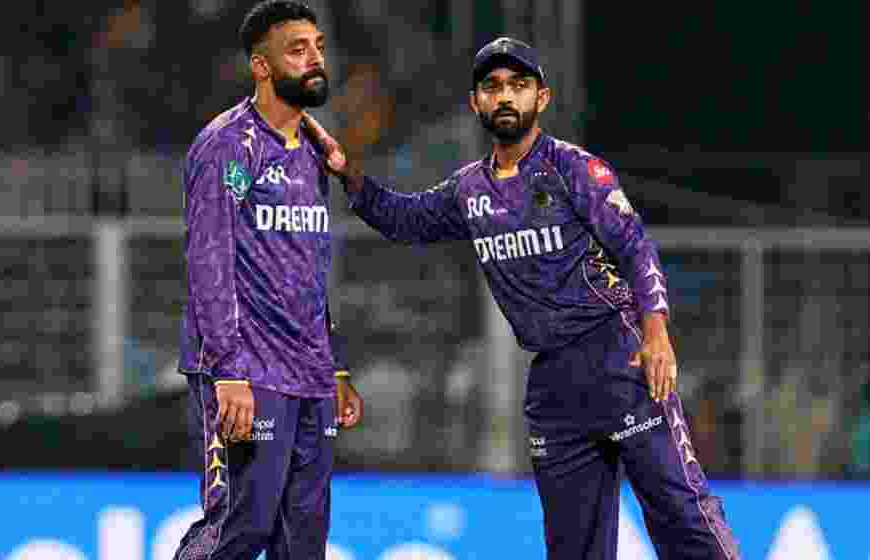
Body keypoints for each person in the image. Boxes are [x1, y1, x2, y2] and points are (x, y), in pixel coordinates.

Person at [306, 37, 742, 560]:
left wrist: (656, 329)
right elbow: (405, 219)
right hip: (553, 385)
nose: (506, 96)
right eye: (492, 87)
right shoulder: (469, 190)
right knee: (572, 545)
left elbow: (634, 244)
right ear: (476, 103)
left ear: (543, 97)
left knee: (681, 514)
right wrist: (347, 173)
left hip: (619, 358)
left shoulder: (573, 169)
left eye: (519, 85)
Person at [174, 2, 363, 559]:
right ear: (261, 66)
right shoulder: (227, 145)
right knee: (242, 526)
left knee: (303, 544)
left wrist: (336, 366)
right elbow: (209, 257)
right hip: (245, 372)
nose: (315, 60)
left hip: (309, 375)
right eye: (297, 50)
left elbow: (307, 266)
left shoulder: (313, 151)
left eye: (318, 47)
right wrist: (227, 372)